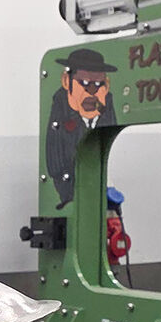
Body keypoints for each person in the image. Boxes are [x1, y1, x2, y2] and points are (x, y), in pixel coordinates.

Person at [46, 46, 118, 207]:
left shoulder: (108, 117)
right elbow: (57, 165)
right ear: (66, 81)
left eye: (98, 84)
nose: (91, 92)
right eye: (84, 83)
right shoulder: (60, 119)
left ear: (106, 85)